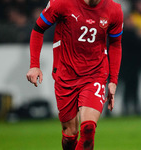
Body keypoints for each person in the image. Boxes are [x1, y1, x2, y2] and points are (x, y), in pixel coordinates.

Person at [26, 0, 123, 149]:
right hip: (66, 75)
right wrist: (34, 66)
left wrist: (113, 80)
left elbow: (116, 44)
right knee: (69, 135)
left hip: (95, 75)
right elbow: (38, 29)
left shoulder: (114, 10)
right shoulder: (62, 3)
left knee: (88, 128)